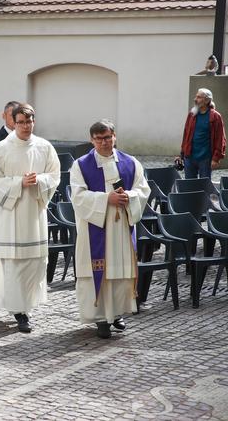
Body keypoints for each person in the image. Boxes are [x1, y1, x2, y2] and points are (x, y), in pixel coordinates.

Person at [70, 119, 150, 339]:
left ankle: (115, 314)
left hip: (121, 228)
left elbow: (143, 190)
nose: (104, 142)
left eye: (107, 137)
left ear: (114, 136)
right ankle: (101, 319)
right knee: (99, 272)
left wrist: (129, 197)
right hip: (95, 228)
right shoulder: (81, 165)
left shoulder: (130, 162)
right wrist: (107, 199)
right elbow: (77, 196)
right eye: (98, 139)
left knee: (118, 271)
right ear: (91, 140)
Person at [0, 103, 60, 333]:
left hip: (35, 213)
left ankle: (28, 304)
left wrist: (40, 181)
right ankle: (20, 312)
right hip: (11, 215)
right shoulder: (1, 149)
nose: (26, 126)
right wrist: (18, 183)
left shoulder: (44, 147)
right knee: (15, 264)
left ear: (34, 122)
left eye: (29, 121)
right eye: (21, 122)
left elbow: (55, 175)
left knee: (35, 263)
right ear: (13, 123)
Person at [179, 88, 226, 179]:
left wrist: (216, 158)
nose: (195, 99)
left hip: (205, 158)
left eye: (199, 97)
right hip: (189, 157)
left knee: (204, 185)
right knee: (189, 185)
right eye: (196, 96)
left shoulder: (215, 116)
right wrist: (182, 154)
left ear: (207, 100)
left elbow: (221, 139)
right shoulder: (192, 115)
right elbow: (186, 135)